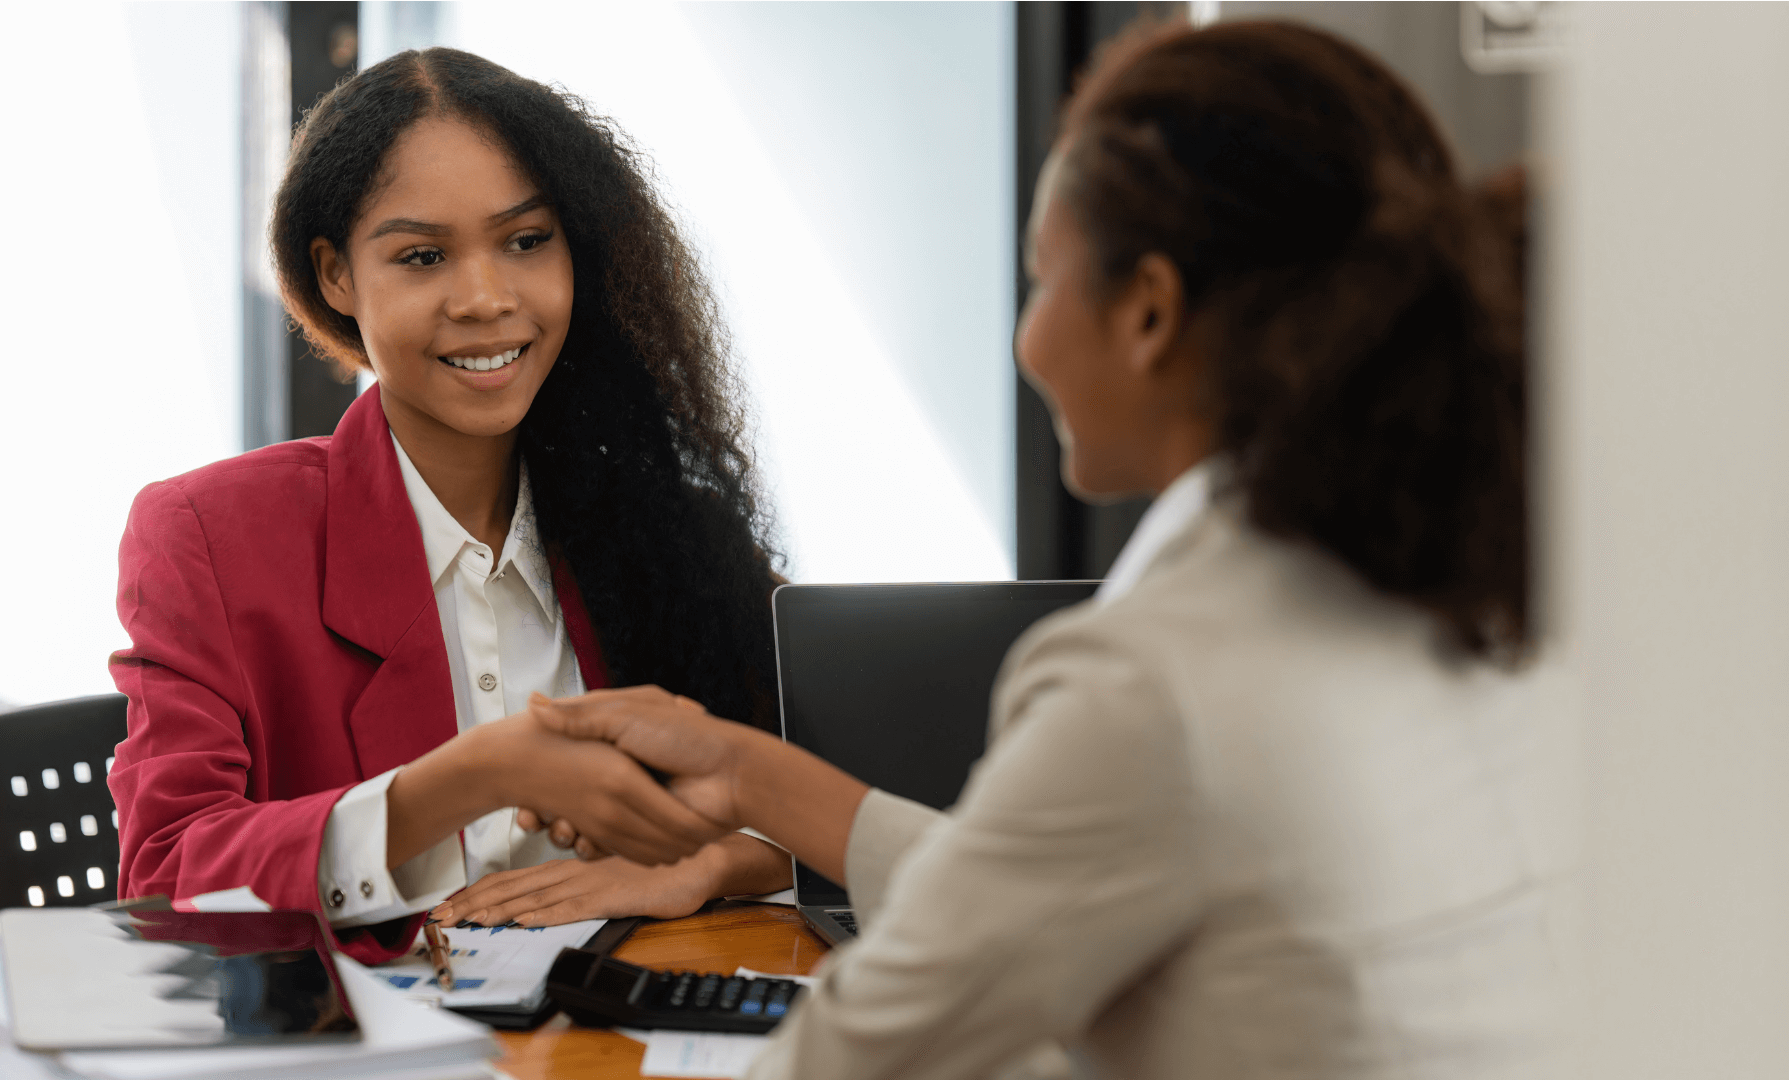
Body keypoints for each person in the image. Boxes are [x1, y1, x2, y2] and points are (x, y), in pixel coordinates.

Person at [506, 18, 1557, 1079]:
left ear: (1148, 310)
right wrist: (746, 773)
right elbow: (1049, 884)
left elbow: (850, 1056)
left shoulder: (1152, 681)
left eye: (1042, 283)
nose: (1029, 341)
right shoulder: (1445, 577)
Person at [106, 47, 791, 965]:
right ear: (337, 276)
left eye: (526, 241)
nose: (485, 299)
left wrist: (698, 866)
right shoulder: (207, 537)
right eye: (423, 256)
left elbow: (827, 801)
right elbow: (166, 878)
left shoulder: (661, 524)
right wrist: (464, 780)